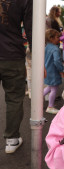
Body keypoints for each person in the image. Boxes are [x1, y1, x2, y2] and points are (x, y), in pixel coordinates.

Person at [0, 0, 32, 154]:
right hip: (12, 53)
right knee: (14, 98)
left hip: (11, 53)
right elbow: (31, 28)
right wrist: (38, 60)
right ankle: (12, 139)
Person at [44, 29, 64, 114]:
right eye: (57, 37)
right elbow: (57, 61)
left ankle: (36, 99)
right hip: (54, 71)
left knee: (50, 87)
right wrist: (61, 70)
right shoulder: (56, 49)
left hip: (47, 70)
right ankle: (50, 106)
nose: (59, 38)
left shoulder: (46, 47)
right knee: (54, 89)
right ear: (51, 38)